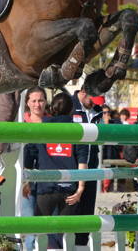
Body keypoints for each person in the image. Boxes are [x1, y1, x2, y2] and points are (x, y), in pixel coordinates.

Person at [25, 93, 87, 249]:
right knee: (63, 234)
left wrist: (25, 182)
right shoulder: (78, 130)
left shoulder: (40, 129)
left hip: (46, 188)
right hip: (70, 190)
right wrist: (81, 189)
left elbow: (28, 159)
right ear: (71, 110)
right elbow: (82, 161)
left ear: (51, 108)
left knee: (41, 232)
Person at [71, 86, 104, 247]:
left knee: (87, 209)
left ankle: (82, 245)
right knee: (71, 209)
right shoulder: (69, 105)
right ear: (83, 91)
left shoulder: (97, 111)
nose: (94, 103)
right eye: (92, 99)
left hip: (91, 167)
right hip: (72, 167)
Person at [21, 87, 49, 251]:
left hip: (48, 180)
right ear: (27, 103)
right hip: (27, 180)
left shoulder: (52, 123)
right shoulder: (21, 123)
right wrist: (25, 181)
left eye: (41, 100)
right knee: (29, 220)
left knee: (48, 222)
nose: (37, 104)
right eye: (34, 101)